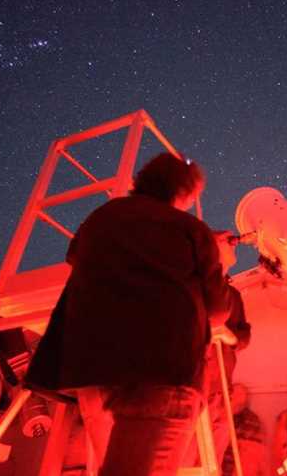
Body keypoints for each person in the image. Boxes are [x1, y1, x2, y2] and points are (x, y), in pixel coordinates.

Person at [24, 152, 231, 476]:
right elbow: (218, 312)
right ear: (183, 191)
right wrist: (222, 261)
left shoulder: (100, 219)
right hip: (164, 376)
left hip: (94, 376)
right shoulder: (192, 230)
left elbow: (78, 256)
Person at [185, 229, 252, 469]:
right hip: (195, 387)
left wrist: (229, 336)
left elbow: (245, 335)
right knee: (187, 459)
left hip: (223, 391)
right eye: (225, 239)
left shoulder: (233, 295)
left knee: (213, 457)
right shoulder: (192, 286)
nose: (233, 241)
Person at [221, 383, 266, 476]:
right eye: (237, 394)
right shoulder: (220, 417)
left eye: (242, 394)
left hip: (241, 469)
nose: (238, 397)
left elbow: (251, 450)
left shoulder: (251, 420)